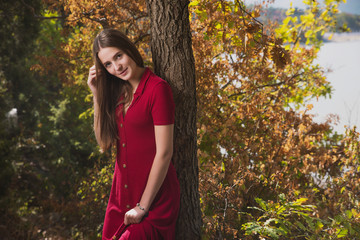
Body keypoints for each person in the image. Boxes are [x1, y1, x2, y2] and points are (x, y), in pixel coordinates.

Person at [87, 29, 180, 240]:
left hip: (153, 200)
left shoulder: (158, 89)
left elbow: (165, 153)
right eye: (108, 64)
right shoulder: (119, 93)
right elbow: (105, 142)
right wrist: (96, 93)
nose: (116, 67)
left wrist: (142, 207)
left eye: (118, 56)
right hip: (121, 197)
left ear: (129, 49)